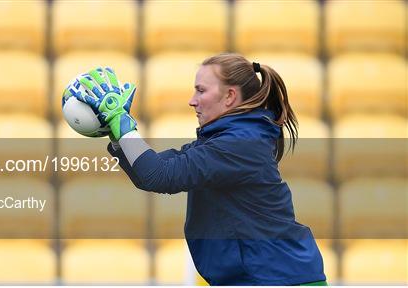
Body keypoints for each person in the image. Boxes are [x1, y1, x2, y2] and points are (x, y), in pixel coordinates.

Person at [73, 53, 327, 285]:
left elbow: (158, 176)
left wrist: (123, 125)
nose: (192, 101)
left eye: (200, 91)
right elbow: (151, 171)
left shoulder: (237, 145)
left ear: (229, 96)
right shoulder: (226, 141)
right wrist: (117, 134)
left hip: (278, 279)